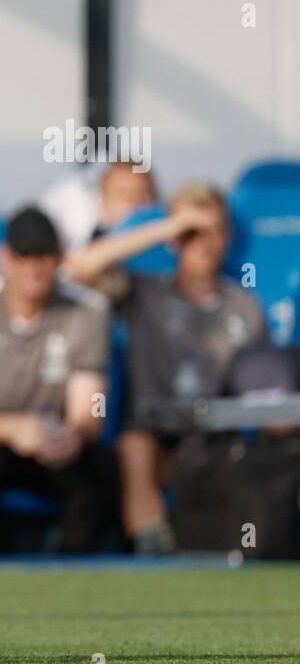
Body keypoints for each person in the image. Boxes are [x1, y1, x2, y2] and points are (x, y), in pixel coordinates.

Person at [64, 182, 266, 552]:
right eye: (192, 233)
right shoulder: (145, 293)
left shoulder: (245, 306)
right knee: (135, 444)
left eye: (214, 231)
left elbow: (260, 384)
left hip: (214, 434)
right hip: (154, 430)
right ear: (174, 240)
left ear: (228, 236)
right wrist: (166, 226)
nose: (204, 243)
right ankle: (151, 541)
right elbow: (79, 267)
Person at [0, 207, 116, 553]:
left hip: (53, 442)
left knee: (100, 466)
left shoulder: (89, 309)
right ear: (3, 257)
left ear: (60, 258)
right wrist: (13, 429)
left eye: (45, 255)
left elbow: (89, 406)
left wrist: (73, 435)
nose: (34, 267)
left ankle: (72, 568)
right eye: (24, 255)